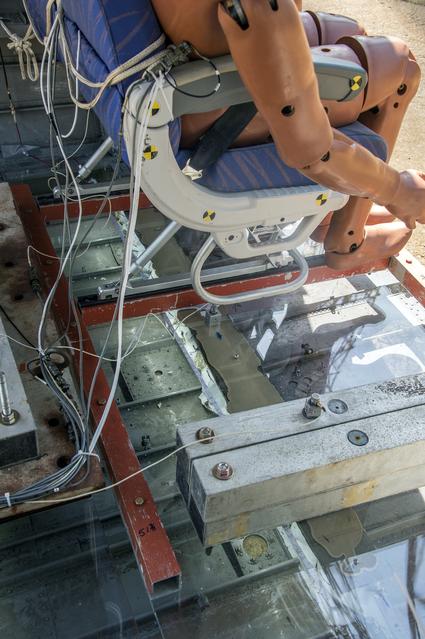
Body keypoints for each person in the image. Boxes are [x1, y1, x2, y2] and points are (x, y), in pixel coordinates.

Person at [151, 0, 424, 269]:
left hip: (192, 66)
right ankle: (348, 240)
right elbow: (308, 147)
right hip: (218, 110)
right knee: (401, 67)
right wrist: (396, 191)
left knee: (348, 31)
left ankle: (337, 216)